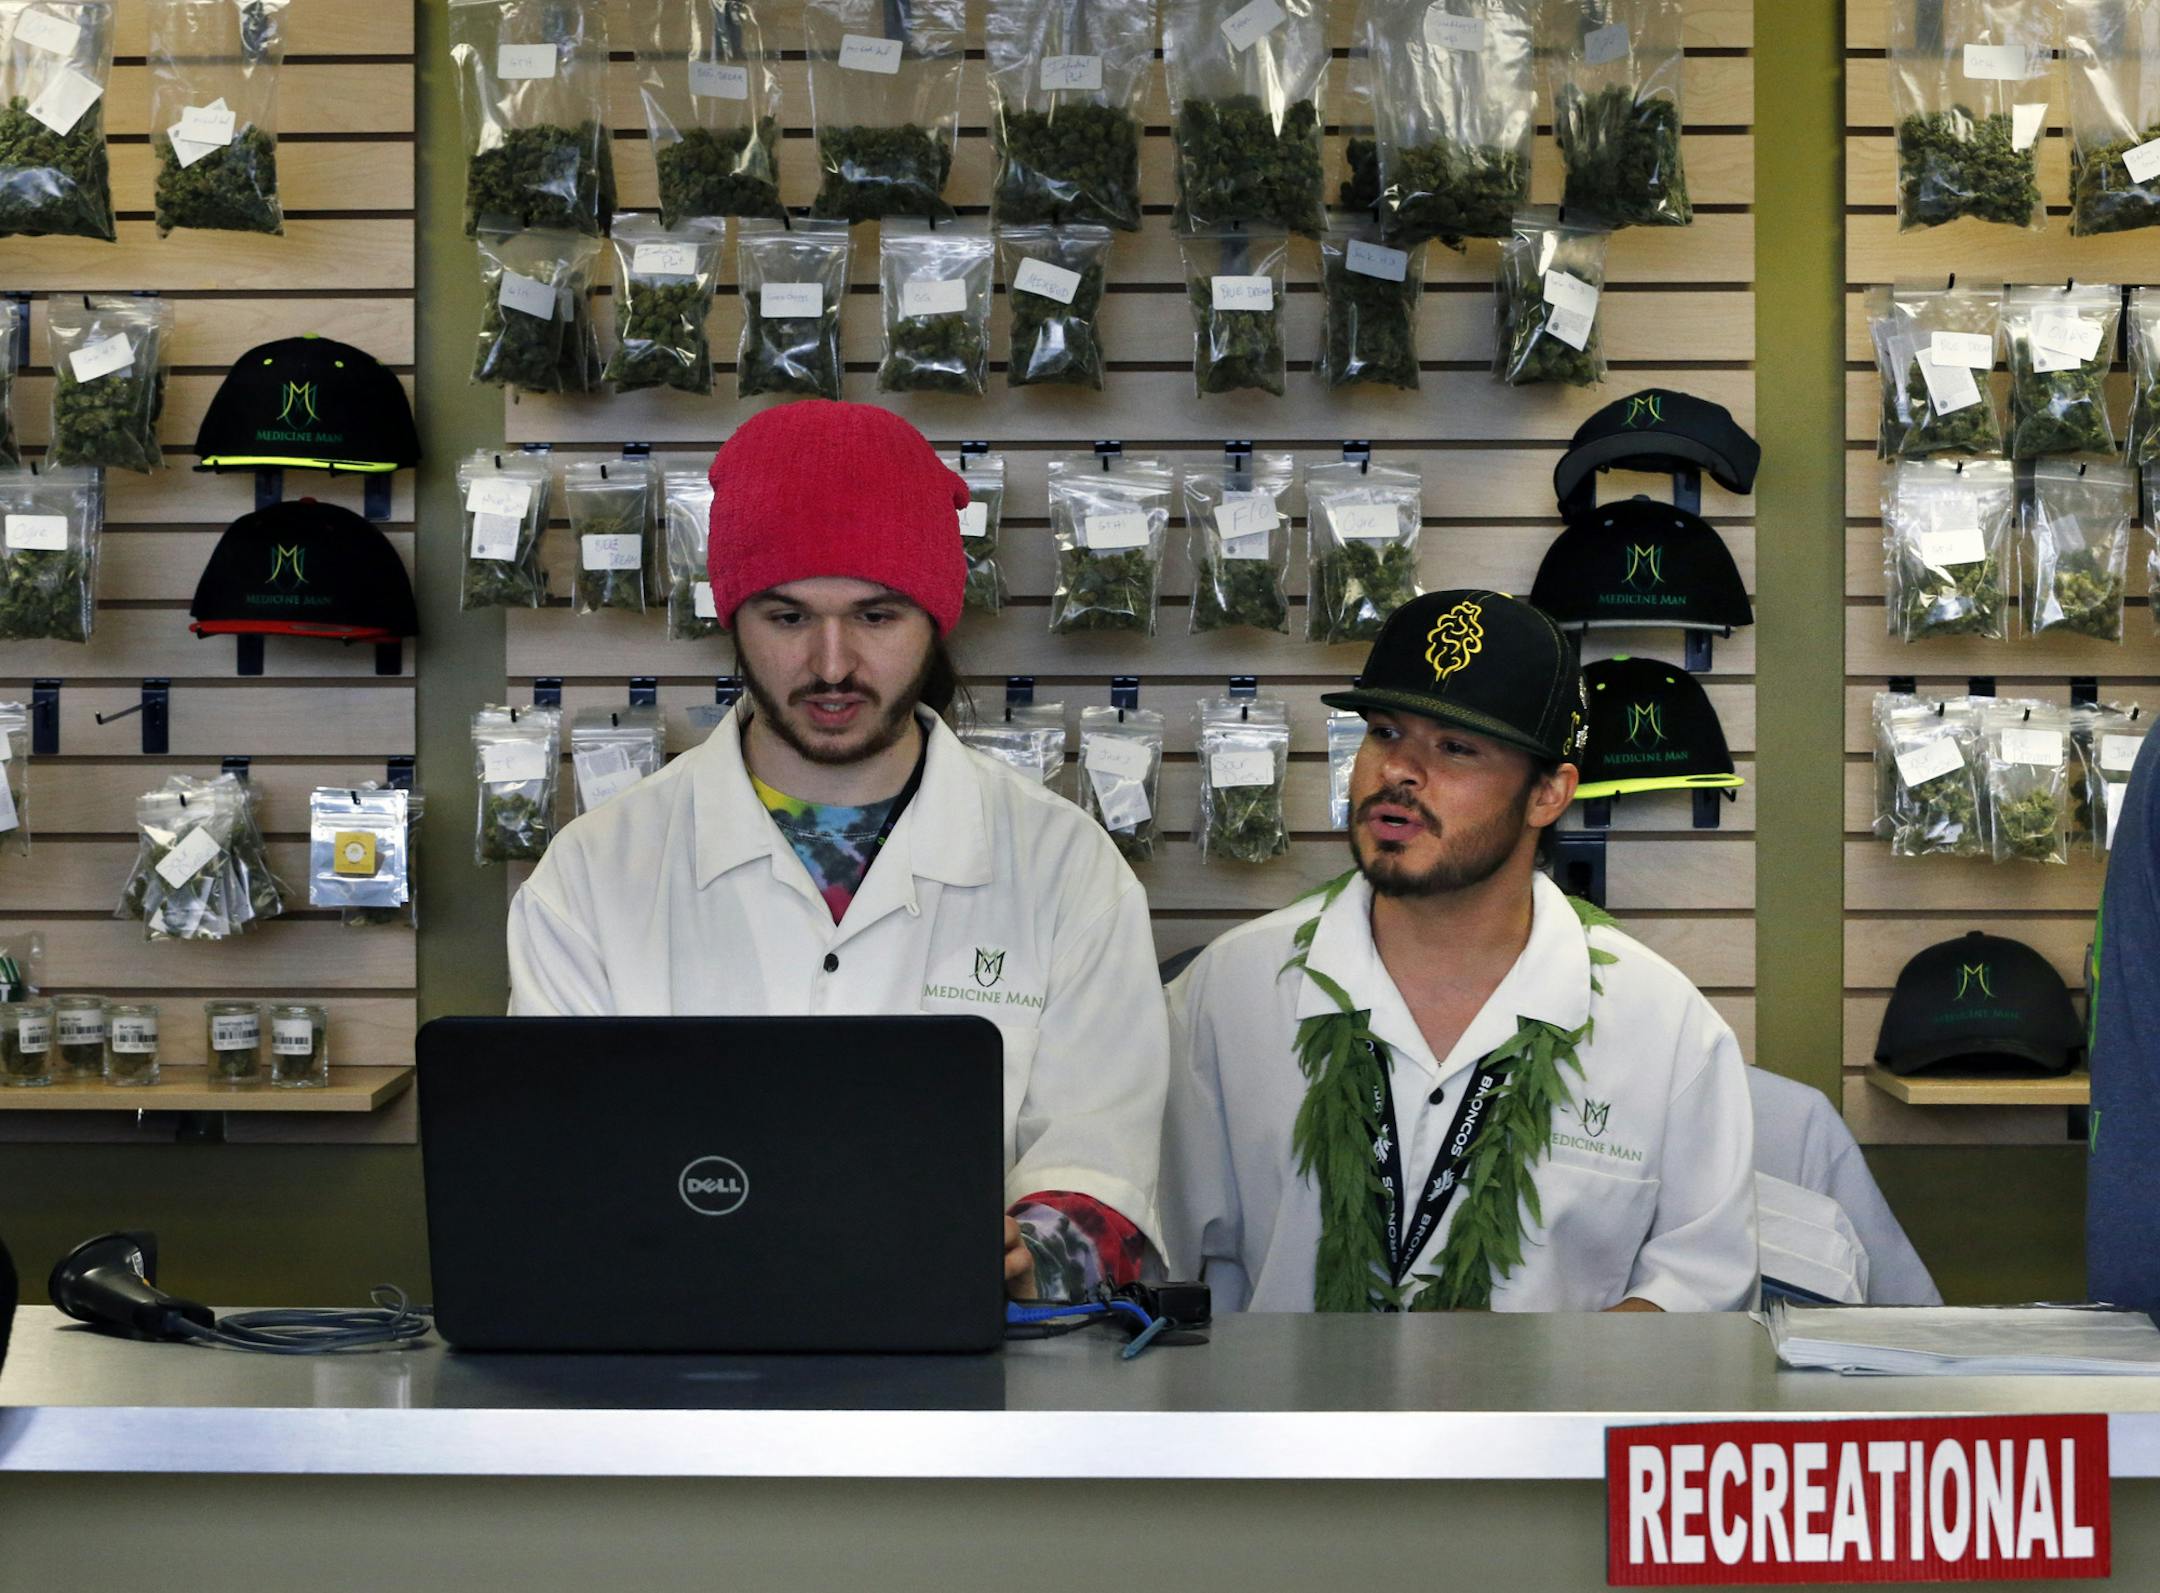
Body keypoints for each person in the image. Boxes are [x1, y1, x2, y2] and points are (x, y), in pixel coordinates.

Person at [507, 401, 1166, 1302]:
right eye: (786, 616)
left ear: (936, 618)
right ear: (733, 616)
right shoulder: (593, 875)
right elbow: (552, 1175)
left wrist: (1032, 1249)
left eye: (876, 615)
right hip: (675, 1385)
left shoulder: (1067, 870)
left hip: (971, 1394)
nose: (830, 664)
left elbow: (1104, 1161)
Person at [1162, 590, 1757, 1313]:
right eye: (1384, 732)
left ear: (1549, 793)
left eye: (1455, 746)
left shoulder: (1664, 1027)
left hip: (1543, 1424)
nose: (1399, 771)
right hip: (1274, 1422)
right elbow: (1156, 1254)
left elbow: (1705, 1285)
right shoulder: (1228, 991)